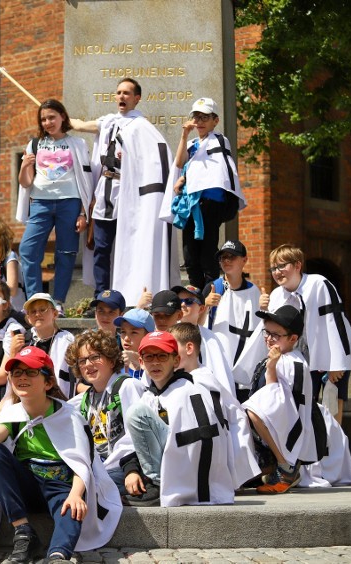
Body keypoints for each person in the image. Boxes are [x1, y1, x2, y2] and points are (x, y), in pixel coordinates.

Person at [0, 346, 121, 563]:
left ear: (48, 382)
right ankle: (23, 531)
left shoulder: (69, 416)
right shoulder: (12, 413)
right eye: (16, 373)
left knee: (71, 509)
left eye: (30, 372)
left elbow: (82, 463)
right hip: (28, 485)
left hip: (61, 485)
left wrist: (75, 494)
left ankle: (58, 555)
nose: (22, 377)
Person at [71, 78, 179, 304]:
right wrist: (59, 117)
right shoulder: (109, 122)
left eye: (127, 93)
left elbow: (156, 161)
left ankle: (126, 294)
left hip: (129, 195)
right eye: (119, 92)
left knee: (128, 246)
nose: (121, 96)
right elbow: (81, 125)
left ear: (137, 98)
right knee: (101, 247)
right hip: (105, 192)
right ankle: (101, 296)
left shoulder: (142, 127)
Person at [123, 331, 235, 506]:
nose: (155, 362)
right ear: (141, 362)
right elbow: (131, 443)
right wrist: (131, 470)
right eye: (149, 357)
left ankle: (157, 484)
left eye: (162, 356)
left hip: (190, 478)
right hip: (175, 470)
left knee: (136, 413)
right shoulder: (151, 395)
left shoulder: (187, 390)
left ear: (175, 360)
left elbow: (199, 440)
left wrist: (172, 483)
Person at [262, 244, 351, 425]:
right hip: (303, 360)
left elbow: (336, 322)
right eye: (273, 268)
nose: (277, 272)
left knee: (333, 408)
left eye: (282, 266)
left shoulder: (318, 284)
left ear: (298, 265)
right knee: (306, 408)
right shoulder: (277, 295)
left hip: (332, 355)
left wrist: (336, 363)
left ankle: (335, 451)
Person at [17, 99, 93, 311]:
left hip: (70, 202)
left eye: (52, 117)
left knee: (66, 252)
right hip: (40, 202)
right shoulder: (34, 144)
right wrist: (24, 166)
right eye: (43, 119)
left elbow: (87, 180)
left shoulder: (77, 144)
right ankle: (34, 299)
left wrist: (83, 213)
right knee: (28, 249)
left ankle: (58, 301)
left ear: (62, 117)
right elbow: (25, 182)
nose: (48, 122)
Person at [162, 98, 245, 289]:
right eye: (196, 117)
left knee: (207, 250)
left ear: (215, 121)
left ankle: (211, 291)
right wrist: (184, 135)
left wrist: (185, 179)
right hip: (192, 203)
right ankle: (196, 290)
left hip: (211, 202)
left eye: (205, 117)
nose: (199, 122)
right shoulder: (191, 143)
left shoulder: (219, 140)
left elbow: (215, 169)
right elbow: (180, 163)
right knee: (190, 252)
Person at [168, 323, 261, 488]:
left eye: (173, 348)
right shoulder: (192, 378)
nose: (169, 354)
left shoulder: (202, 381)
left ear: (189, 348)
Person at [242, 306, 323, 493]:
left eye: (276, 335)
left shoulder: (292, 362)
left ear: (293, 338)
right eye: (267, 332)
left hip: (289, 435)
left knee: (255, 411)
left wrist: (271, 367)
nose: (269, 338)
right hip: (275, 434)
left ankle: (286, 468)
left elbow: (275, 403)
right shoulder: (279, 357)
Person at [66, 330, 145, 496]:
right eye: (82, 360)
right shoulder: (85, 399)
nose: (88, 364)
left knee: (85, 491)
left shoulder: (127, 386)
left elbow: (138, 437)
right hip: (101, 471)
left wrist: (132, 470)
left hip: (127, 469)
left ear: (111, 360)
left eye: (95, 357)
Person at [204, 240, 268, 402]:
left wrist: (265, 309)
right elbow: (196, 326)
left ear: (244, 260)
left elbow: (261, 329)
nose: (226, 261)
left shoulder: (254, 291)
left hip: (246, 369)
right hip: (219, 367)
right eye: (223, 258)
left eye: (231, 257)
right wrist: (205, 305)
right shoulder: (214, 288)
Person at [173, 285, 236, 400]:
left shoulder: (211, 338)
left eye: (189, 301)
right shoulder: (168, 335)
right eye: (179, 301)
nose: (182, 305)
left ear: (201, 309)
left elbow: (222, 376)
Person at [10, 293, 75, 398]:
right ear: (28, 318)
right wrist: (13, 352)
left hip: (60, 399)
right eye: (33, 311)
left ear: (54, 314)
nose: (37, 314)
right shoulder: (24, 340)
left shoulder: (67, 340)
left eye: (42, 309)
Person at [114, 308, 155, 381]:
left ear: (148, 336)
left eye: (134, 332)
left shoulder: (160, 363)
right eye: (123, 332)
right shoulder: (114, 364)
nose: (126, 338)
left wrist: (140, 362)